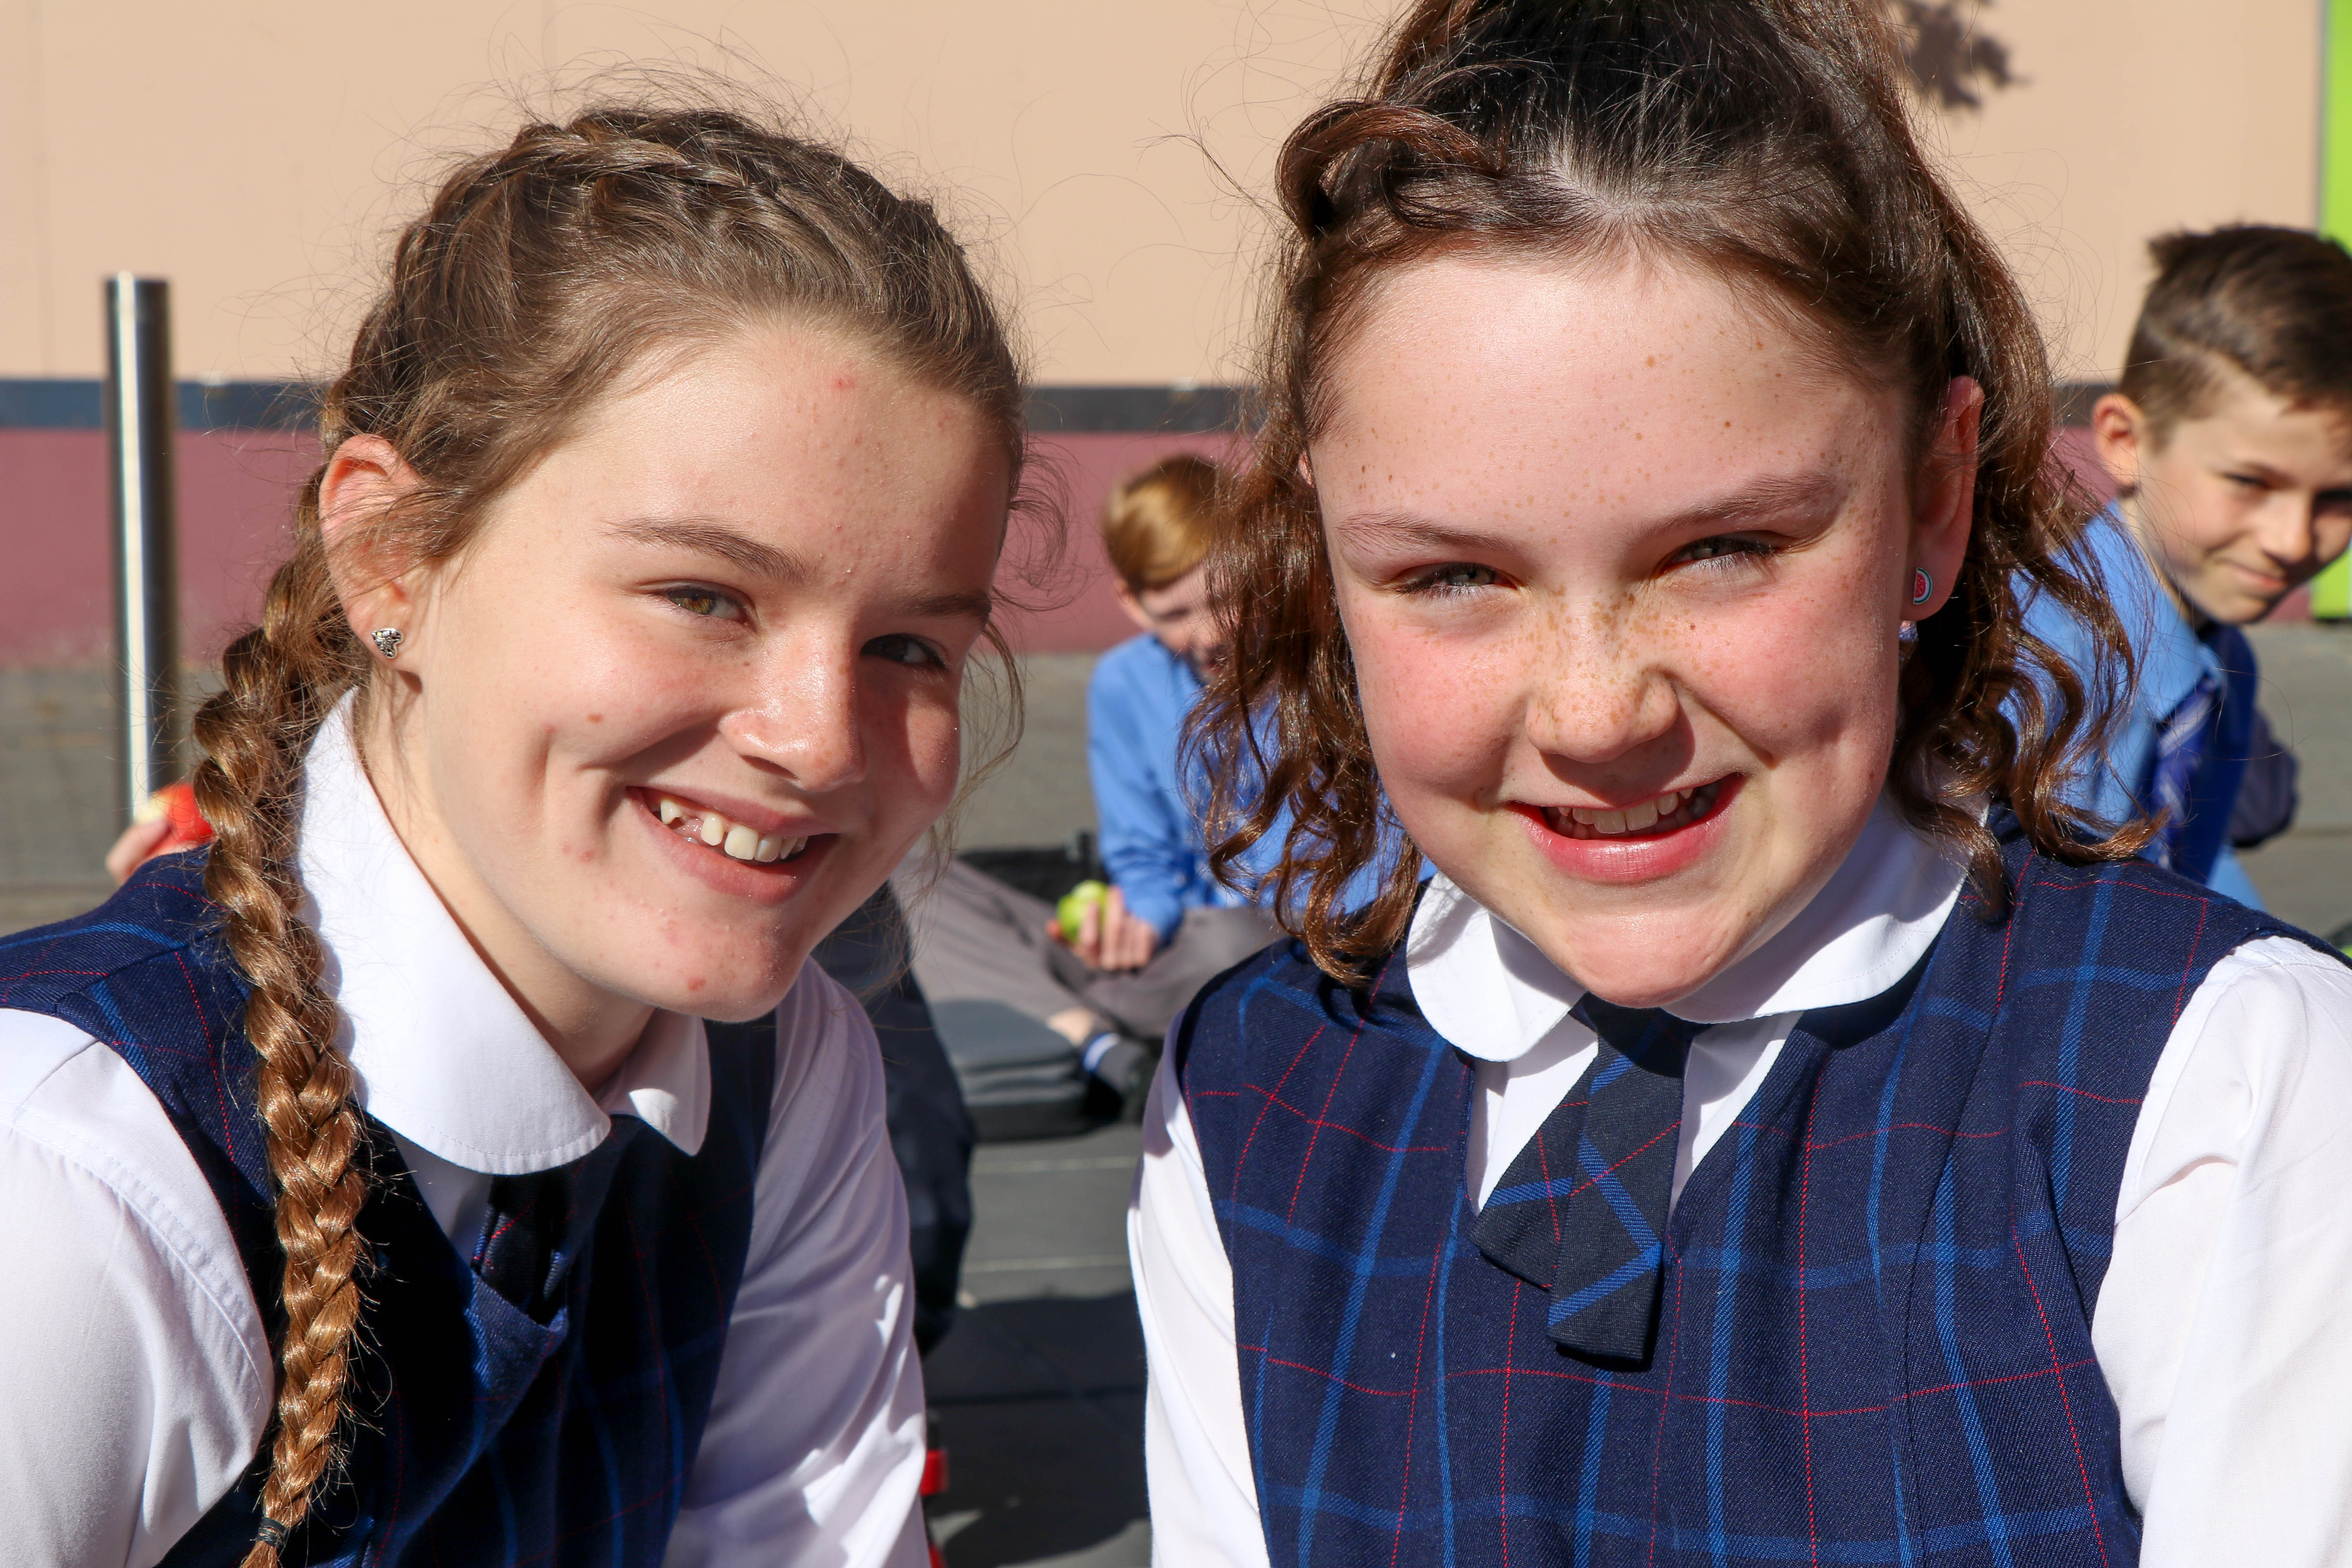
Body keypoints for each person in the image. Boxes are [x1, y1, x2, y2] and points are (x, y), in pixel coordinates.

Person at [1128, 4, 2352, 1566]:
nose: (1597, 713)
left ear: (1933, 499)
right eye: (1451, 574)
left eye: (1722, 548)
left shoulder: (2215, 1089)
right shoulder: (1252, 1099)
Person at [0, 102, 1030, 1565]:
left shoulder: (783, 1066)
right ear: (391, 556)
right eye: (704, 596)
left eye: (911, 647)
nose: (818, 740)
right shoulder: (68, 1185)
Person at [891, 456, 1305, 1107]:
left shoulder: (1308, 675)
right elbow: (1141, 855)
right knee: (910, 881)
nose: (1212, 634)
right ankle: (1095, 1039)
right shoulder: (1123, 682)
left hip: (1271, 942)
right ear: (1132, 604)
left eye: (1230, 599)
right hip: (1175, 957)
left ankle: (1064, 1018)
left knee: (1236, 946)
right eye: (1176, 612)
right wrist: (1136, 923)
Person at [2026, 226, 2352, 904]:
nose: (2292, 541)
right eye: (2250, 482)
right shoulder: (2045, 670)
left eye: (2338, 497)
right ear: (2125, 442)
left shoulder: (2222, 660)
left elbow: (2199, 886)